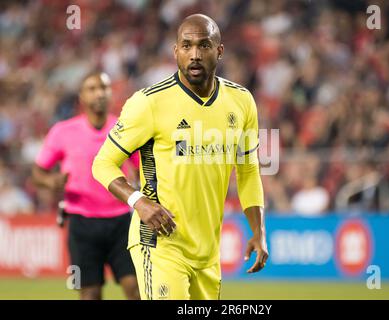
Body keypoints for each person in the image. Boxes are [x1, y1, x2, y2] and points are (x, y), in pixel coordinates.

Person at [92, 14, 268, 300]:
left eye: (204, 45)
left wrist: (258, 231)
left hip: (208, 251)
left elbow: (248, 171)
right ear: (176, 51)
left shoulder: (242, 101)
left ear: (219, 51)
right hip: (160, 242)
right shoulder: (148, 103)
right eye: (186, 46)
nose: (195, 54)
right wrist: (138, 202)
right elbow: (102, 163)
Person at [32, 71, 140, 300]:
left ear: (111, 93)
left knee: (136, 289)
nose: (99, 93)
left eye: (104, 88)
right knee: (89, 294)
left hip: (122, 222)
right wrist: (52, 181)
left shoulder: (125, 129)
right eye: (92, 89)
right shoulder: (62, 131)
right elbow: (38, 172)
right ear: (81, 96)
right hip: (81, 224)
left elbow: (143, 167)